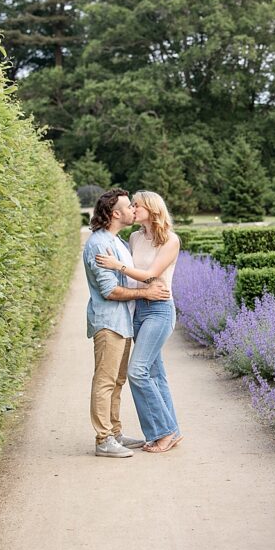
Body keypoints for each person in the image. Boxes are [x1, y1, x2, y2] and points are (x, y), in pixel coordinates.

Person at [83, 189, 171, 458]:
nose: (133, 209)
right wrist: (146, 292)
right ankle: (104, 439)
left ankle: (115, 432)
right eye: (128, 206)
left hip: (124, 322)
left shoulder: (118, 241)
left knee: (118, 380)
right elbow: (110, 291)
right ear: (115, 213)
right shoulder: (100, 244)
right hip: (109, 322)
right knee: (105, 381)